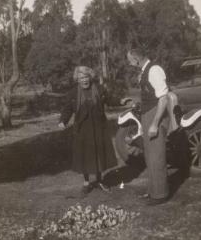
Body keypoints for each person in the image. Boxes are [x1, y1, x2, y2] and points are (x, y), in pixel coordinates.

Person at [58, 66, 117, 195]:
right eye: (81, 78)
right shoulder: (73, 93)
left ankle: (100, 180)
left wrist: (122, 101)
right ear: (77, 80)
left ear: (90, 78)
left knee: (99, 153)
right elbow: (67, 109)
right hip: (82, 128)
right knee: (84, 154)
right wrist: (63, 121)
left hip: (98, 127)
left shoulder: (99, 89)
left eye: (86, 77)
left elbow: (110, 101)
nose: (84, 80)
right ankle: (86, 182)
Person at [127, 48, 170, 205]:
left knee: (157, 155)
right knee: (150, 156)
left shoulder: (154, 70)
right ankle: (153, 191)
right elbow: (149, 94)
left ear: (137, 59)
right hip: (148, 113)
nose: (129, 63)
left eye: (130, 60)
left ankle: (160, 195)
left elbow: (163, 98)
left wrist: (155, 123)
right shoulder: (145, 70)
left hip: (155, 116)